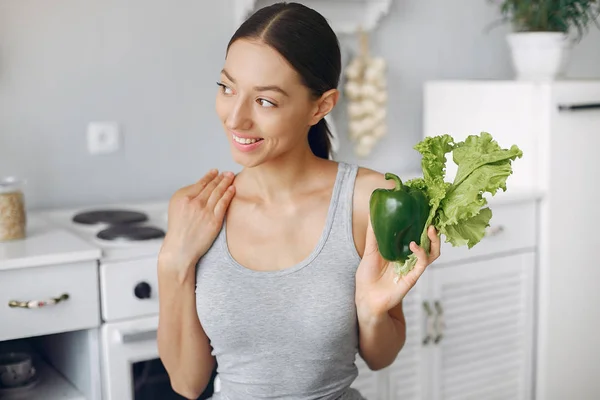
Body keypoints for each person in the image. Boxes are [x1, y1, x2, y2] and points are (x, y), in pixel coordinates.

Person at [156, 2, 440, 399]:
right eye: (226, 87)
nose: (235, 118)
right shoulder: (196, 209)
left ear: (320, 106)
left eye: (265, 101)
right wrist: (173, 264)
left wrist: (374, 311)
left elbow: (381, 357)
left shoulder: (368, 201)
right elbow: (187, 384)